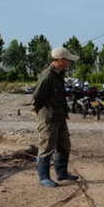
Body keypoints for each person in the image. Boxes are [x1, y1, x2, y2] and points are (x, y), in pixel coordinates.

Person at [32, 47, 80, 186]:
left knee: (64, 145)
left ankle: (61, 173)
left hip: (60, 116)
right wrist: (39, 111)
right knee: (46, 147)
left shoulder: (59, 74)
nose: (70, 63)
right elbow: (37, 97)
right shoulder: (47, 76)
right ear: (60, 60)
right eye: (68, 60)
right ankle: (43, 178)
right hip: (49, 117)